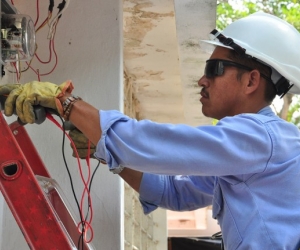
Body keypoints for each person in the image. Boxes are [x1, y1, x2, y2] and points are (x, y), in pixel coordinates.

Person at [1, 12, 300, 249]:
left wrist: (65, 102)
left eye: (214, 70)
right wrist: (104, 153)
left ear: (251, 81)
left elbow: (153, 143)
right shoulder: (248, 153)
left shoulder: (262, 138)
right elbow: (173, 192)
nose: (202, 81)